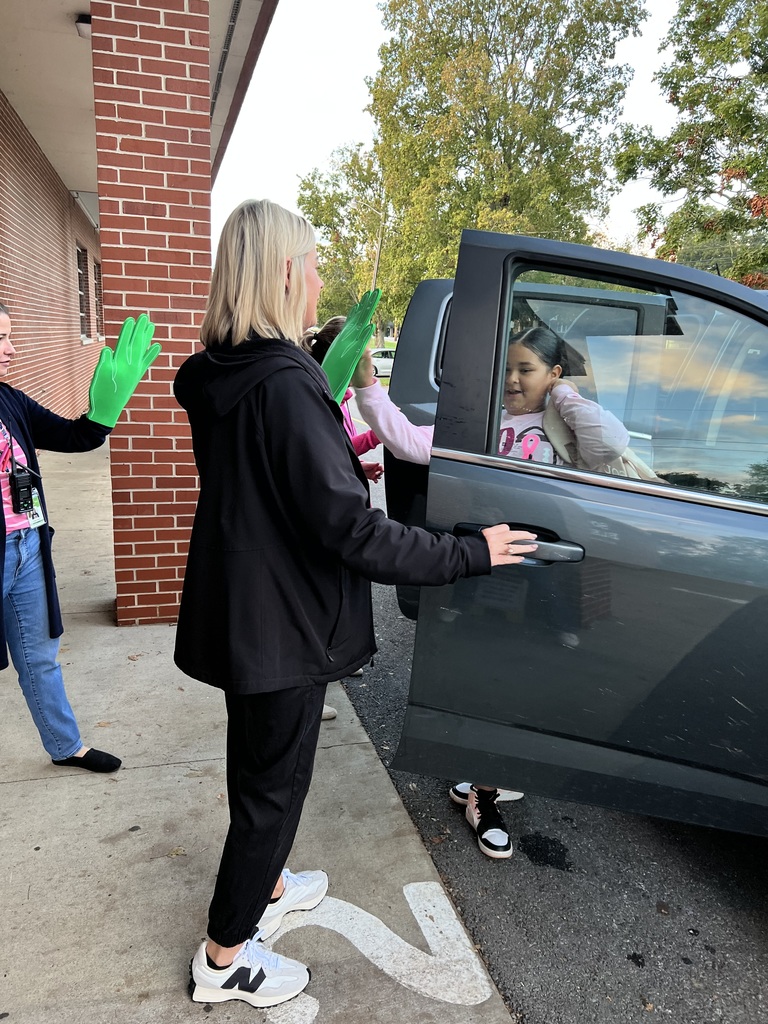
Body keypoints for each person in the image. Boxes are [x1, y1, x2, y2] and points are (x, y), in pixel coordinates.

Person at [172, 198, 538, 1009]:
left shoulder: (219, 375)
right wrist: (469, 552)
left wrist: (327, 402)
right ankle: (225, 957)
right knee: (272, 793)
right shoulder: (284, 386)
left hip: (246, 616)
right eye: (313, 262)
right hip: (283, 624)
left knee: (259, 774)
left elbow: (281, 492)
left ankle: (265, 889)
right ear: (283, 273)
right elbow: (353, 532)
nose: (322, 278)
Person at [350, 324, 630, 858]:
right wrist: (367, 385)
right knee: (491, 682)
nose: (512, 380)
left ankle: (480, 776)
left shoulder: (566, 426)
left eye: (527, 369)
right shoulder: (482, 424)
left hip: (543, 581)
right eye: (507, 368)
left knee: (525, 684)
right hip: (488, 579)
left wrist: (563, 395)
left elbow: (611, 446)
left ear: (553, 373)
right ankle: (483, 793)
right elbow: (408, 442)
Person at [0, 303, 160, 773]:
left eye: (9, 336)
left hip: (27, 546)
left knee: (39, 657)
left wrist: (105, 410)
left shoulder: (8, 399)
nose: (9, 350)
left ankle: (64, 745)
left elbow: (76, 437)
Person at [302, 316, 379, 721]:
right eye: (364, 358)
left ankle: (331, 669)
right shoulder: (322, 400)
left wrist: (360, 465)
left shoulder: (338, 399)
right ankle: (314, 688)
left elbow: (340, 452)